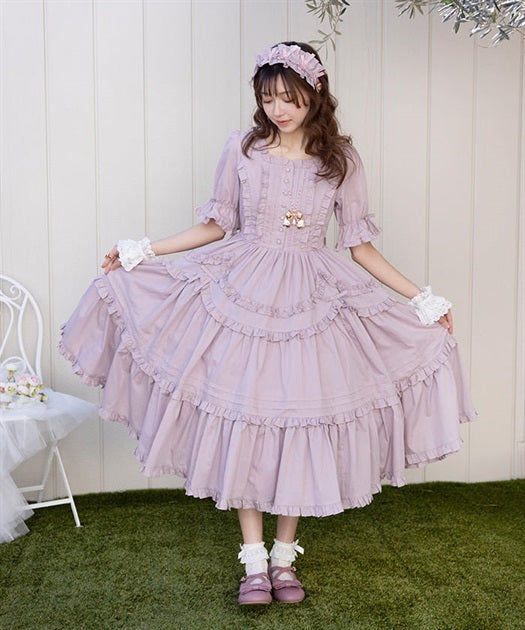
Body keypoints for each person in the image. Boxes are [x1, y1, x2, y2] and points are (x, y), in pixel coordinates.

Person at [60, 41, 477, 606]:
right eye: (268, 97)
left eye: (289, 97)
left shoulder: (341, 160)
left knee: (297, 421)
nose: (278, 109)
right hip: (243, 291)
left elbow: (359, 246)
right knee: (248, 418)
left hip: (314, 299)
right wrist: (143, 250)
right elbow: (216, 225)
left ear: (315, 94)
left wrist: (422, 298)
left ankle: (284, 559)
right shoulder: (243, 149)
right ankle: (253, 563)